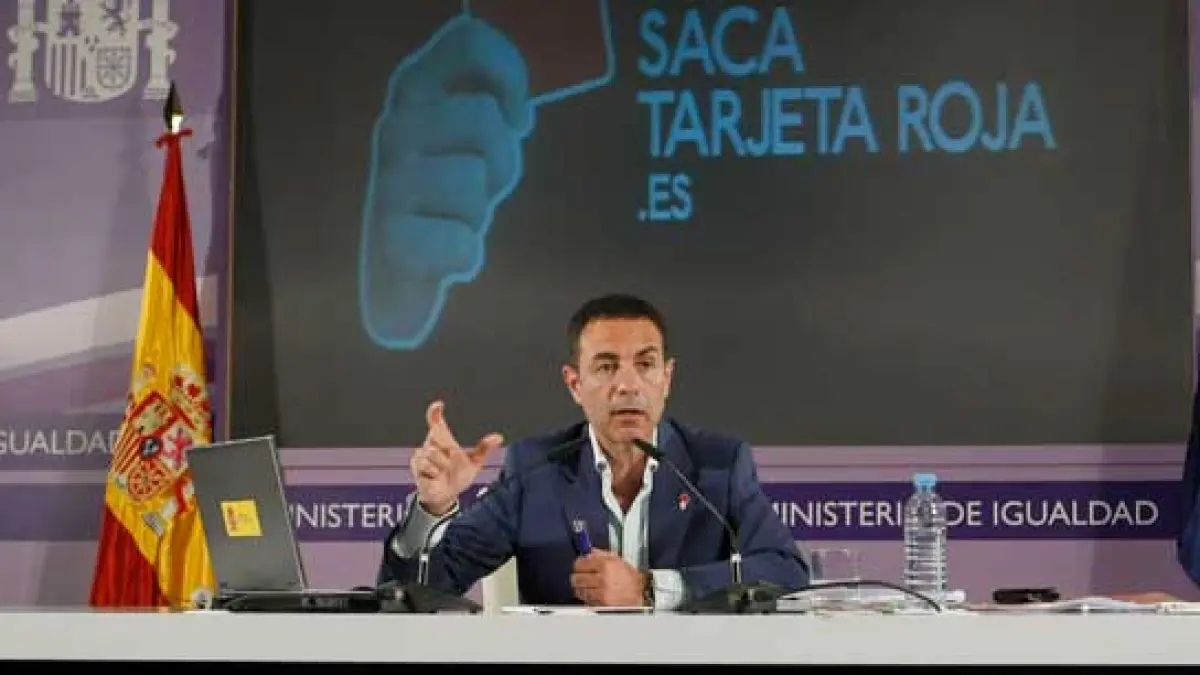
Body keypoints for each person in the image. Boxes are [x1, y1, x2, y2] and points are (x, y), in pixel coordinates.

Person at [377, 293, 810, 608]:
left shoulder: (719, 465)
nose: (627, 385)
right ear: (575, 384)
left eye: (645, 364)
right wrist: (433, 509)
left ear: (666, 378)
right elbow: (412, 594)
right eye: (606, 366)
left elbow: (785, 571)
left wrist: (649, 589)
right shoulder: (536, 470)